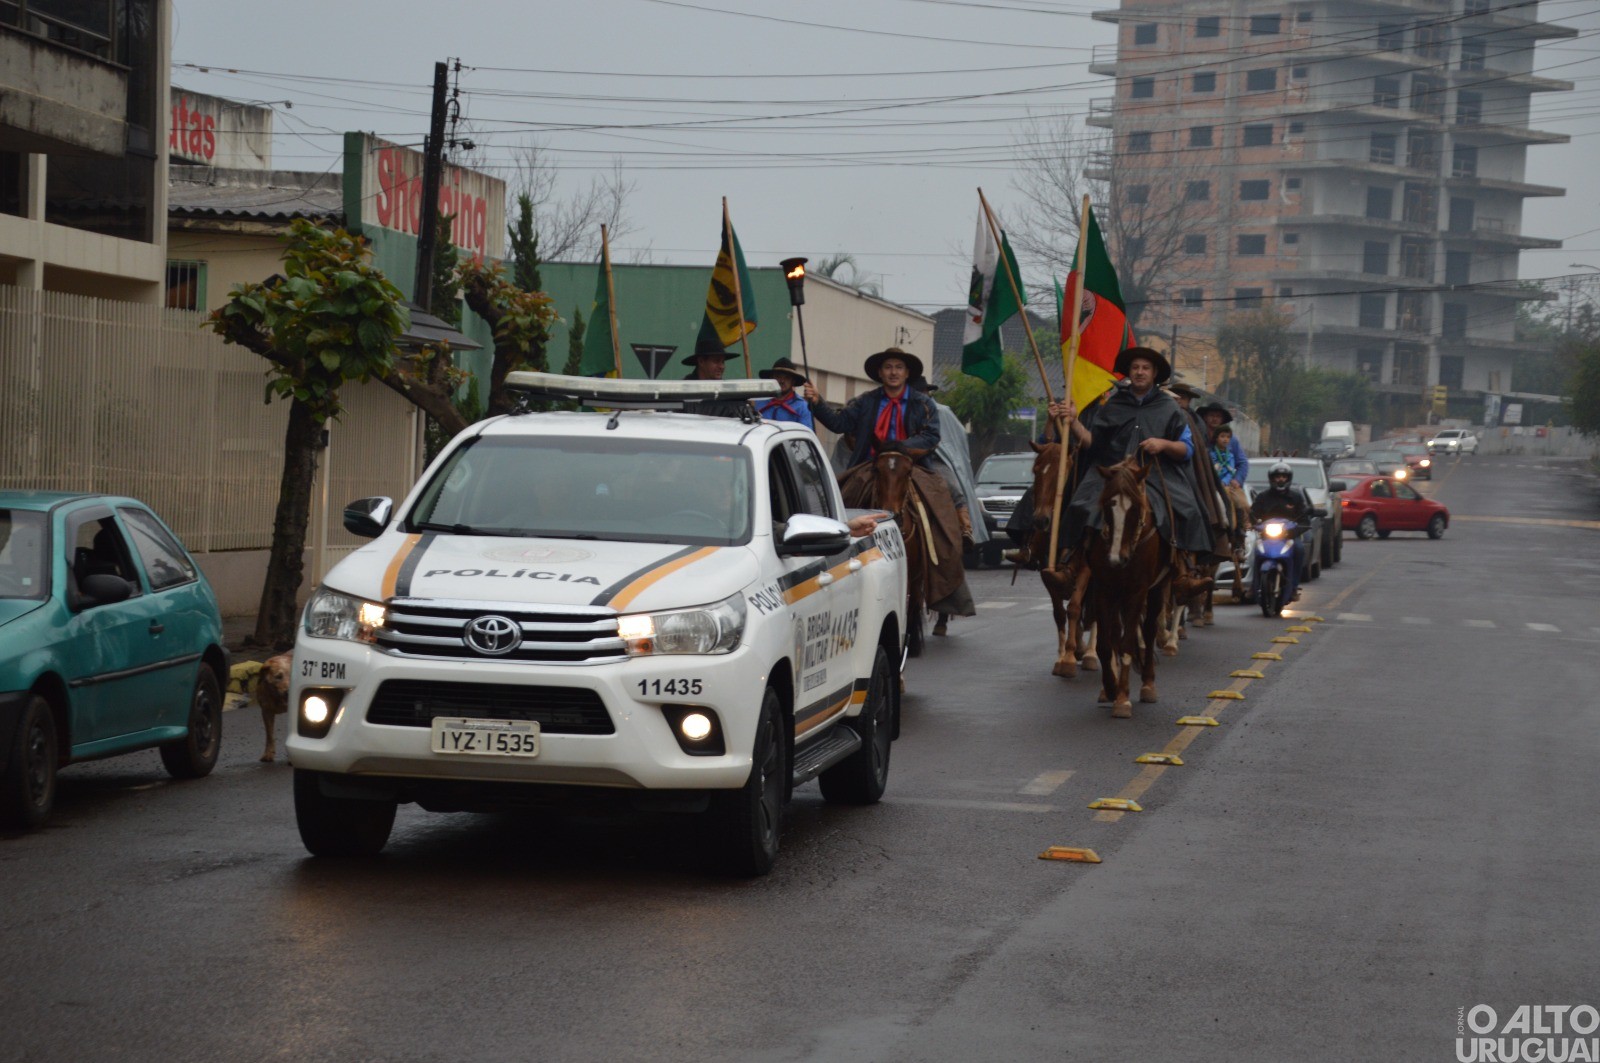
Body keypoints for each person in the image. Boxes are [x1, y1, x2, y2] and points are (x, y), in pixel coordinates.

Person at [1057, 346, 1214, 561]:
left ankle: (1186, 571)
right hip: (1111, 474)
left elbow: (1186, 449)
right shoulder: (1114, 404)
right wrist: (1073, 422)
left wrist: (1164, 444)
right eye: (1135, 367)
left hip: (1156, 475)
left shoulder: (1170, 407)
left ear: (1154, 373)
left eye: (1145, 368)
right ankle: (1070, 563)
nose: (1140, 372)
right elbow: (1093, 443)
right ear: (1129, 372)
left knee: (1189, 510)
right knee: (1079, 505)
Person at [910, 374, 982, 636]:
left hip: (928, 460)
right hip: (897, 459)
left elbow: (942, 439)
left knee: (952, 488)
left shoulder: (936, 411)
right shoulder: (895, 407)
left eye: (924, 391)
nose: (922, 395)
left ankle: (964, 528)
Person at [803, 347, 940, 467]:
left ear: (907, 373)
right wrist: (817, 402)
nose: (893, 372)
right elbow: (838, 423)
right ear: (880, 372)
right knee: (841, 492)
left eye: (899, 367)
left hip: (911, 466)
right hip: (869, 465)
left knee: (940, 492)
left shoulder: (923, 404)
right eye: (888, 367)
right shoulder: (865, 401)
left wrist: (900, 447)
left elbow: (931, 436)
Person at [1247, 461, 1312, 603]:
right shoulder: (1263, 497)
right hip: (1266, 537)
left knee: (1299, 549)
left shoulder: (1295, 497)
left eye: (1284, 476)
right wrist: (1252, 523)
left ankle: (1294, 587)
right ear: (1272, 478)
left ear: (1288, 478)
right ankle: (1253, 586)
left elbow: (1304, 519)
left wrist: (1296, 529)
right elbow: (1253, 514)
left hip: (1289, 537)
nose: (1280, 479)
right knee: (1253, 552)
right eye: (1277, 476)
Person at [682, 339, 753, 419]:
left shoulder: (730, 396)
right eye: (716, 361)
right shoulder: (681, 393)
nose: (721, 367)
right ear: (701, 361)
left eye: (723, 362)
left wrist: (749, 411)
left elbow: (746, 419)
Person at [753, 357, 814, 429]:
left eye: (787, 378)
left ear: (793, 381)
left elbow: (805, 435)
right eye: (778, 376)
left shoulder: (802, 407)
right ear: (771, 378)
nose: (782, 381)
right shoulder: (757, 402)